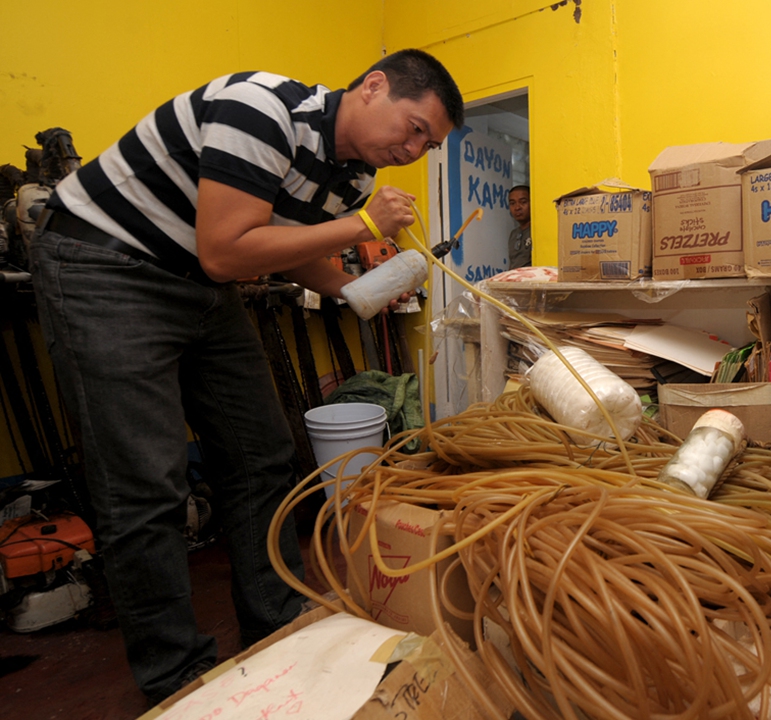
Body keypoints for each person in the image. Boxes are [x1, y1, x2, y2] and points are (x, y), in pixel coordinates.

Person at [29, 49, 463, 704]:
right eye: (414, 128)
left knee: (263, 452)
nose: (415, 149)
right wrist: (366, 226)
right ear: (373, 87)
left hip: (200, 280)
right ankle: (176, 680)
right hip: (105, 264)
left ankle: (275, 619)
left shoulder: (350, 179)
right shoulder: (260, 109)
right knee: (146, 484)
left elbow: (288, 248)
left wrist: (353, 288)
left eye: (427, 143)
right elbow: (227, 247)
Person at [507, 184, 532, 268]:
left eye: (523, 202)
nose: (517, 207)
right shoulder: (513, 234)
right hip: (514, 280)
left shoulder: (538, 231)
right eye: (512, 203)